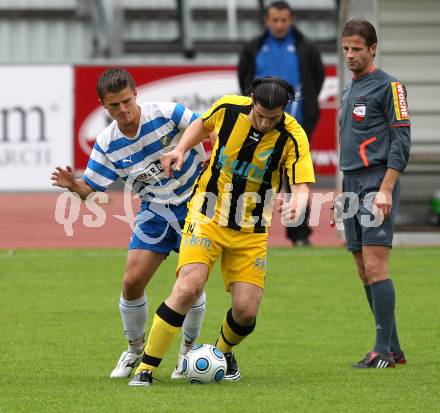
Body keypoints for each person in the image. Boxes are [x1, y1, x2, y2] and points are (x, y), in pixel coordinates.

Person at [127, 77, 315, 386]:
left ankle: (222, 352)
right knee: (189, 286)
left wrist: (298, 202)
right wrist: (180, 149)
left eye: (273, 117)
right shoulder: (228, 108)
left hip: (251, 229)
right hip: (207, 214)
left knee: (245, 312)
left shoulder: (293, 136)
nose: (266, 123)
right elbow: (201, 126)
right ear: (251, 100)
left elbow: (302, 184)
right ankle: (146, 368)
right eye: (260, 115)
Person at [51, 67, 210, 379]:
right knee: (131, 282)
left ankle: (188, 352)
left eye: (126, 101)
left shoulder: (167, 113)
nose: (122, 110)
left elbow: (208, 129)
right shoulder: (107, 143)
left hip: (197, 204)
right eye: (114, 105)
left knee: (191, 283)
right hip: (155, 211)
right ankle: (134, 349)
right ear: (103, 106)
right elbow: (91, 193)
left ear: (136, 94)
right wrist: (74, 185)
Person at [335, 19, 410, 368]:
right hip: (351, 183)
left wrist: (386, 188)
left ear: (373, 48)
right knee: (362, 268)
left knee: (376, 265)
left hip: (376, 181)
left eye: (357, 49)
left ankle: (381, 350)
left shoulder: (391, 87)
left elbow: (401, 141)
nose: (350, 55)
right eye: (346, 48)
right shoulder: (349, 90)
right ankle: (392, 350)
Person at [238, 0, 325, 246]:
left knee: (297, 178)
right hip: (258, 124)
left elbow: (316, 79)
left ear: (291, 20)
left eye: (283, 20)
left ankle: (299, 235)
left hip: (294, 125)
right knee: (249, 174)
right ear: (266, 21)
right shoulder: (254, 47)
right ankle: (244, 226)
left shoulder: (305, 47)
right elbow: (244, 77)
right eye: (274, 20)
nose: (279, 25)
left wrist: (304, 111)